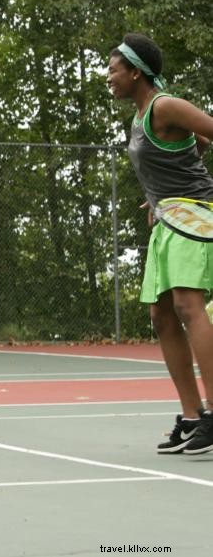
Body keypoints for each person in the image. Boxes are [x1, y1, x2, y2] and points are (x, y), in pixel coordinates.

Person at [108, 32, 213, 454]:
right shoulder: (139, 118)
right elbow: (190, 147)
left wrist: (186, 190)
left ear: (136, 71)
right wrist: (159, 195)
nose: (108, 76)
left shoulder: (165, 106)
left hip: (195, 220)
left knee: (189, 306)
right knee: (162, 315)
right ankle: (192, 418)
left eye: (114, 69)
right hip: (168, 219)